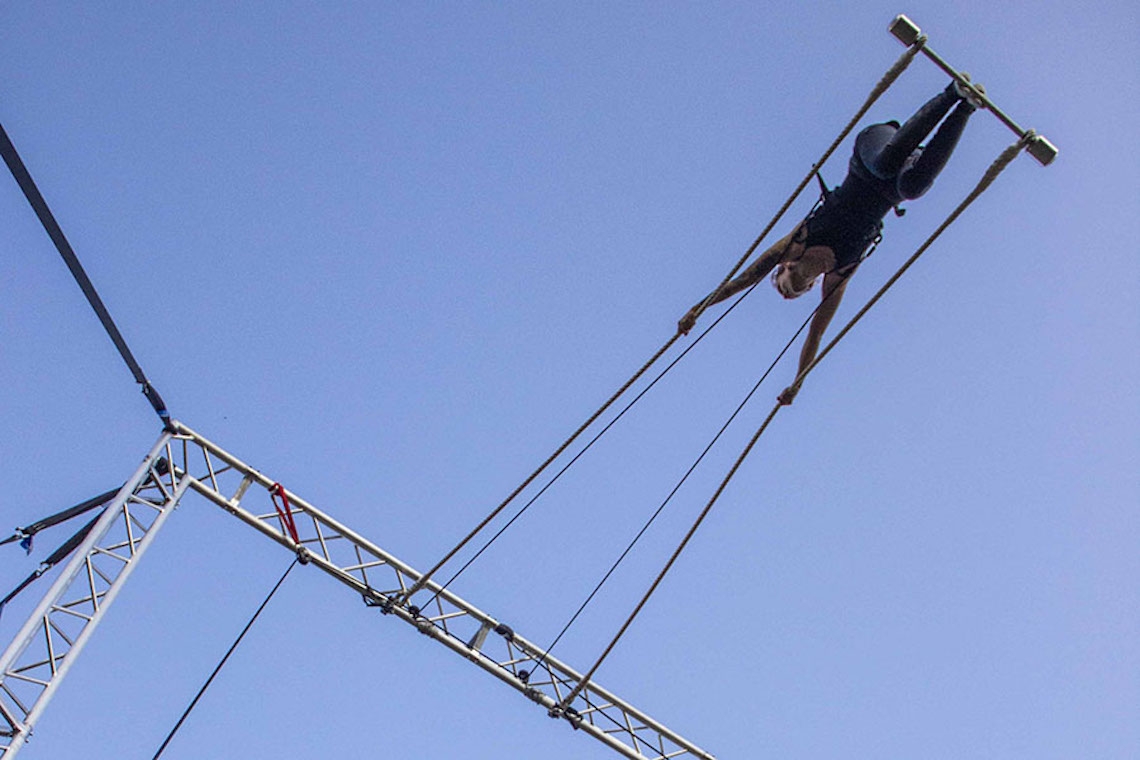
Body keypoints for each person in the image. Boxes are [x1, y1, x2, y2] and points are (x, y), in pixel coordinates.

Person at [677, 77, 986, 405]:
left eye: (779, 285)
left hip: (872, 151)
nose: (786, 294)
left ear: (784, 266)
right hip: (894, 185)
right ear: (811, 288)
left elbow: (744, 279)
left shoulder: (795, 244)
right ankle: (966, 106)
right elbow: (816, 334)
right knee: (913, 188)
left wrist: (698, 309)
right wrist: (798, 382)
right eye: (790, 295)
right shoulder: (838, 277)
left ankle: (952, 92)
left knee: (885, 165)